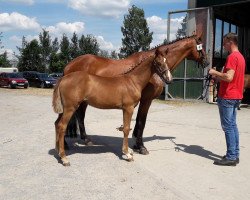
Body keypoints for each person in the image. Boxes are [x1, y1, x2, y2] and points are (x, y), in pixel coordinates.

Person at [209, 32, 245, 166]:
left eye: (224, 43)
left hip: (228, 96)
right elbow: (231, 78)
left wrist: (214, 72)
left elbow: (229, 77)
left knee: (228, 127)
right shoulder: (240, 57)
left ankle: (230, 157)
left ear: (230, 42)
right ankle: (235, 154)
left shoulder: (232, 57)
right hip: (236, 96)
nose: (223, 46)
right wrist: (219, 78)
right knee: (233, 126)